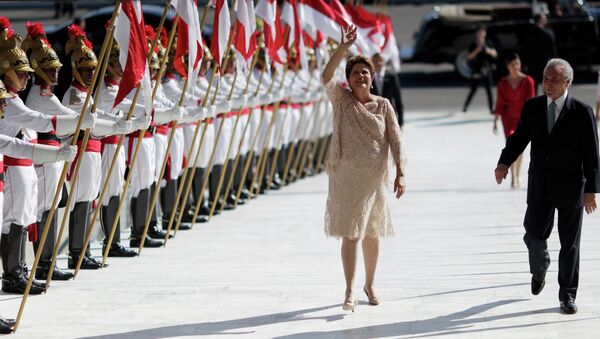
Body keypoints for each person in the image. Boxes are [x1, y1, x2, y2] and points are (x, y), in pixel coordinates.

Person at [494, 58, 600, 315]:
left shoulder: (582, 111)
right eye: (545, 78)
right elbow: (519, 138)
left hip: (571, 186)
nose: (547, 84)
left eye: (554, 80)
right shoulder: (532, 107)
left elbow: (592, 154)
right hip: (540, 184)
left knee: (570, 245)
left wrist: (591, 191)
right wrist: (504, 162)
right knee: (532, 232)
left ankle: (567, 295)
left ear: (568, 82)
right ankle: (540, 267)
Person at [322, 25, 406, 312]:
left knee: (371, 233)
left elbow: (396, 139)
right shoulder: (342, 102)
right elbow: (325, 77)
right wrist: (343, 48)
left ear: (372, 79)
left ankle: (370, 284)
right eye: (355, 72)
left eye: (365, 72)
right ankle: (349, 290)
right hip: (346, 179)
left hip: (374, 180)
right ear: (349, 80)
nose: (361, 75)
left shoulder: (383, 106)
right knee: (350, 233)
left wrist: (401, 173)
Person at [493, 53, 535, 188]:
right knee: (510, 145)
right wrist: (495, 120)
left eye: (517, 63)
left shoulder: (528, 81)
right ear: (507, 67)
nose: (516, 67)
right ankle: (512, 176)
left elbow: (531, 102)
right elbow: (499, 102)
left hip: (523, 118)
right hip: (508, 118)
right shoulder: (502, 83)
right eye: (512, 65)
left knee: (520, 148)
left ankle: (517, 174)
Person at [462, 25, 497, 114]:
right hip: (477, 69)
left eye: (483, 32)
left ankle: (491, 108)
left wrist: (487, 50)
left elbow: (495, 54)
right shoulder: (473, 44)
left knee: (489, 90)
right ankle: (465, 106)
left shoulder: (488, 43)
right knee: (473, 89)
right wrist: (478, 49)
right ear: (476, 34)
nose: (481, 34)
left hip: (487, 69)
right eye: (479, 32)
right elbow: (469, 57)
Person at [524, 13, 557, 94]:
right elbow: (552, 46)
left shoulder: (530, 31)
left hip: (533, 63)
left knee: (533, 87)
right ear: (540, 20)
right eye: (544, 19)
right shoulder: (547, 32)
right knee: (546, 86)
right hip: (544, 62)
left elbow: (526, 48)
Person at [371, 53, 404, 127]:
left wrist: (400, 122)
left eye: (380, 61)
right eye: (375, 61)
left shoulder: (392, 77)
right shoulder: (369, 78)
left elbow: (398, 100)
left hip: (389, 116)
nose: (378, 63)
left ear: (384, 62)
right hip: (373, 117)